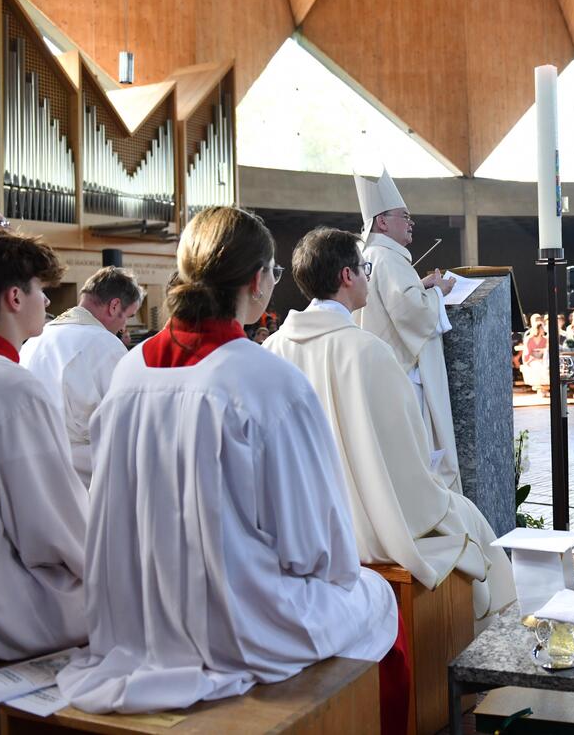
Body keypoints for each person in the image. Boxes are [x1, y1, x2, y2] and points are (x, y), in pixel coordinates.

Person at [57, 207, 403, 717]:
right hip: (240, 627)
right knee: (376, 596)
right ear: (259, 279)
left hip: (134, 622)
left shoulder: (129, 370)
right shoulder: (267, 382)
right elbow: (316, 551)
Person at [265, 228, 515, 623]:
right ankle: (481, 647)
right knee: (468, 523)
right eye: (364, 269)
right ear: (347, 277)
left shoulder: (272, 349)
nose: (369, 276)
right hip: (369, 527)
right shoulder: (369, 351)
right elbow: (410, 462)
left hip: (302, 528)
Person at [0, 229, 87, 661]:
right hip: (7, 611)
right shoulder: (11, 387)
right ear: (14, 297)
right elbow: (53, 531)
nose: (48, 302)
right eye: (41, 290)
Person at [354, 170, 460, 491]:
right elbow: (413, 313)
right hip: (405, 376)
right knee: (421, 459)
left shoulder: (371, 257)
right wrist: (439, 290)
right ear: (382, 222)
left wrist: (422, 284)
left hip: (385, 374)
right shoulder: (387, 257)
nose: (410, 223)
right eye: (405, 216)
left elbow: (396, 301)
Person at [20, 266, 143, 485]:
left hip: (31, 472)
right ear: (115, 306)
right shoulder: (105, 344)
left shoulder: (35, 339)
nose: (125, 327)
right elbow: (127, 425)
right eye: (129, 316)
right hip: (84, 479)